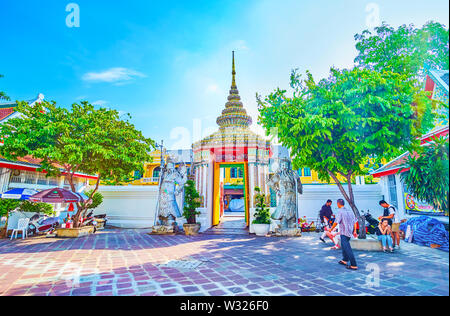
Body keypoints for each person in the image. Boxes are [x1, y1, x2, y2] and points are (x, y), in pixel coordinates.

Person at [331, 199, 358, 270]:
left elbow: (336, 222)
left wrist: (331, 229)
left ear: (338, 204)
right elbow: (355, 221)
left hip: (344, 232)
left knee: (347, 248)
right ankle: (345, 260)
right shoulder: (350, 211)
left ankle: (353, 264)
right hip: (350, 231)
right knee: (344, 245)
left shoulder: (340, 211)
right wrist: (354, 231)